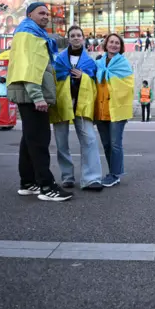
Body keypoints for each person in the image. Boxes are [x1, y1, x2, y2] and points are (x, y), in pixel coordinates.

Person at [7, 2, 73, 202]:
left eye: (47, 13)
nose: (46, 16)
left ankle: (28, 183)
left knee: (29, 140)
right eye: (41, 13)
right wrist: (38, 96)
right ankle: (47, 186)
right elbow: (28, 68)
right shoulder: (29, 34)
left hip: (29, 95)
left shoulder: (32, 33)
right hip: (32, 96)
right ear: (29, 15)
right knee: (39, 141)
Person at [51, 25, 103, 191]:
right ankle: (67, 177)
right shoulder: (59, 60)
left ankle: (91, 178)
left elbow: (95, 84)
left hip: (82, 105)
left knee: (89, 140)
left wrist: (83, 77)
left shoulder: (90, 62)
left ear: (83, 38)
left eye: (78, 35)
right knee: (61, 142)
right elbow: (55, 81)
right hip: (61, 103)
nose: (75, 37)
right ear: (68, 38)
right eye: (72, 35)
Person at [94, 33, 134, 188]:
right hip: (101, 108)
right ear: (106, 44)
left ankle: (115, 174)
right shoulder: (98, 63)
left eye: (117, 43)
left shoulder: (123, 64)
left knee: (115, 144)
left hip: (117, 110)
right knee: (106, 144)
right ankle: (112, 173)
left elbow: (128, 86)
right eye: (111, 42)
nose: (114, 45)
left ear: (121, 46)